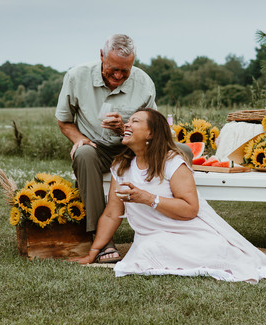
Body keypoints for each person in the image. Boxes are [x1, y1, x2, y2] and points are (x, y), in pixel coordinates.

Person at [71, 108, 266, 283]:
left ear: (151, 133)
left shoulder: (172, 163)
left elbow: (190, 209)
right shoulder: (121, 167)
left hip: (189, 229)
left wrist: (147, 198)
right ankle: (252, 258)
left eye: (135, 121)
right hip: (153, 236)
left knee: (214, 248)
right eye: (128, 121)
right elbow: (112, 214)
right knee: (145, 251)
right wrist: (93, 253)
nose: (126, 125)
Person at [56, 34, 192, 263]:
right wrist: (79, 139)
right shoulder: (76, 76)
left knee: (183, 151)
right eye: (113, 69)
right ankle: (100, 238)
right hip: (95, 148)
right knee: (84, 153)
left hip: (132, 150)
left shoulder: (144, 83)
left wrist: (123, 129)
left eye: (125, 70)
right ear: (101, 56)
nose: (118, 76)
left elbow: (154, 129)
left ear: (133, 62)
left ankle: (176, 223)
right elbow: (64, 120)